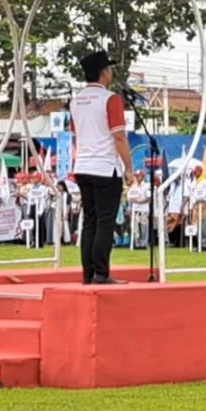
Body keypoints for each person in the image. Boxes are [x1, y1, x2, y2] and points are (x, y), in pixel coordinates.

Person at [69, 50, 135, 285]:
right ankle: (101, 272)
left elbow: (76, 135)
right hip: (105, 166)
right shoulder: (110, 99)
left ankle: (88, 272)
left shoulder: (75, 101)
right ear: (104, 72)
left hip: (83, 165)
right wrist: (129, 168)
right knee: (105, 221)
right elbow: (119, 137)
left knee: (90, 220)